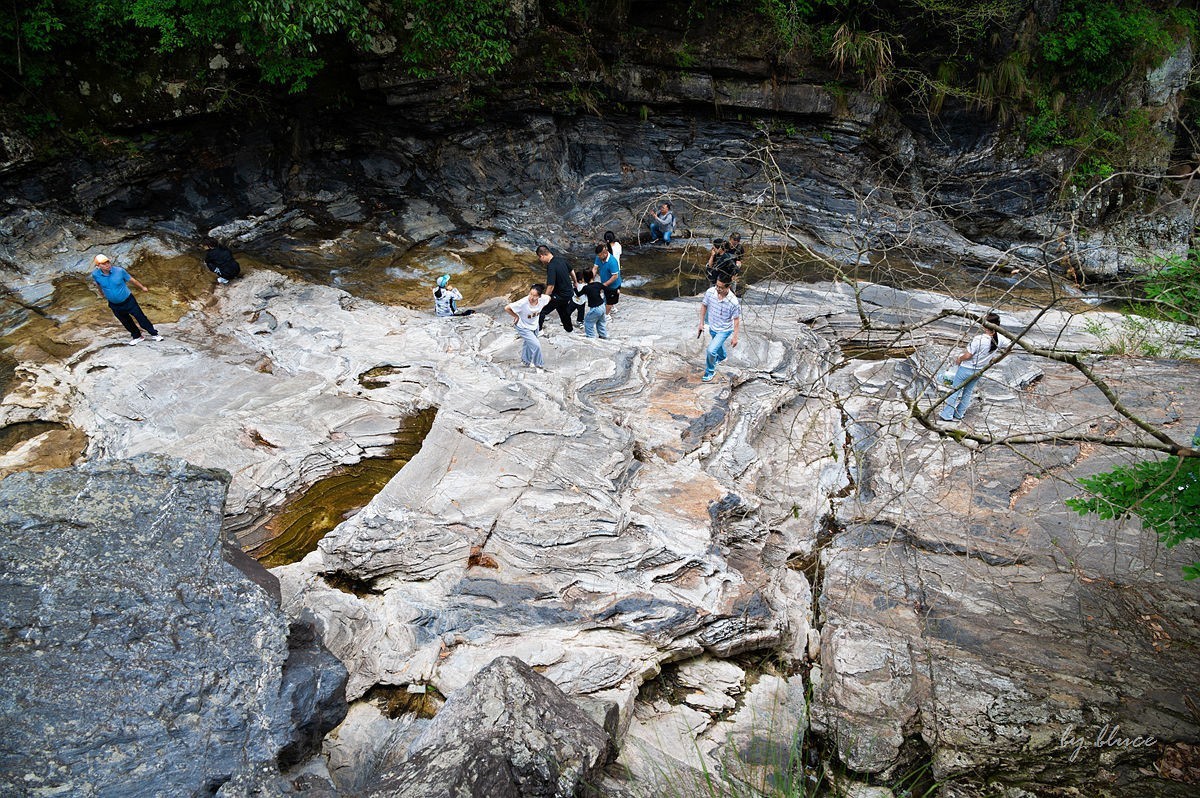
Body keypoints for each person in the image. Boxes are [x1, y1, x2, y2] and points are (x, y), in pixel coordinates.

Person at [939, 312, 1003, 422]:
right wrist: (996, 360)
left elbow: (968, 355)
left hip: (966, 369)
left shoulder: (979, 339)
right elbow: (1009, 348)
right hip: (979, 370)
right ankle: (959, 414)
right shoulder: (1001, 338)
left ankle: (947, 414)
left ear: (984, 325)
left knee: (955, 391)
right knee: (967, 392)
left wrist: (959, 359)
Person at [90, 253, 163, 345]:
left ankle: (154, 334)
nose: (107, 265)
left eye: (107, 262)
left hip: (128, 300)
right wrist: (101, 293)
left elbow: (132, 280)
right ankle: (137, 336)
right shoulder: (96, 274)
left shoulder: (119, 271)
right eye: (103, 264)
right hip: (114, 304)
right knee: (125, 321)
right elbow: (98, 284)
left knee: (140, 317)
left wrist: (142, 287)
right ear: (98, 266)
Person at [697, 277, 741, 382]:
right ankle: (722, 357)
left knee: (711, 350)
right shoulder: (710, 292)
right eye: (717, 286)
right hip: (713, 326)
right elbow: (704, 306)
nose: (718, 289)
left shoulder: (733, 302)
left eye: (721, 287)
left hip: (724, 329)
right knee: (717, 345)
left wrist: (735, 337)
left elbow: (736, 319)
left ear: (728, 287)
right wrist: (701, 323)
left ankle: (710, 372)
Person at [506, 284, 552, 369]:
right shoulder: (523, 302)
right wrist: (516, 316)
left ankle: (525, 361)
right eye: (530, 294)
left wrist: (541, 308)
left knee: (528, 344)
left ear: (539, 296)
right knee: (536, 345)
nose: (531, 297)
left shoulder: (543, 299)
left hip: (534, 325)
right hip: (523, 326)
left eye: (535, 296)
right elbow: (507, 308)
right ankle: (539, 365)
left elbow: (549, 298)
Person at [535, 245, 577, 334]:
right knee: (563, 310)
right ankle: (569, 330)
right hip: (568, 292)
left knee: (541, 310)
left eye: (539, 258)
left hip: (560, 294)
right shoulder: (561, 259)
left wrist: (544, 299)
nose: (540, 261)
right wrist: (575, 282)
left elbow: (551, 286)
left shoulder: (551, 266)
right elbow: (572, 271)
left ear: (542, 255)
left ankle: (539, 331)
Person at [574, 268, 608, 339]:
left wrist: (574, 288)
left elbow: (578, 294)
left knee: (588, 321)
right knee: (601, 322)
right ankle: (603, 335)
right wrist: (616, 290)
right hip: (602, 306)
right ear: (593, 276)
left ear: (585, 278)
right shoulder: (598, 284)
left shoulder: (586, 288)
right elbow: (608, 289)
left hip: (595, 308)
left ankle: (591, 337)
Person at [594, 243, 622, 318]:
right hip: (605, 283)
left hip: (613, 285)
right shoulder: (599, 257)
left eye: (600, 255)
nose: (598, 257)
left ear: (605, 253)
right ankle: (612, 308)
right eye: (598, 255)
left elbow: (615, 276)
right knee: (607, 297)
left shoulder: (612, 262)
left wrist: (605, 284)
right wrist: (590, 279)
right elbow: (595, 268)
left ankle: (606, 315)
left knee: (609, 301)